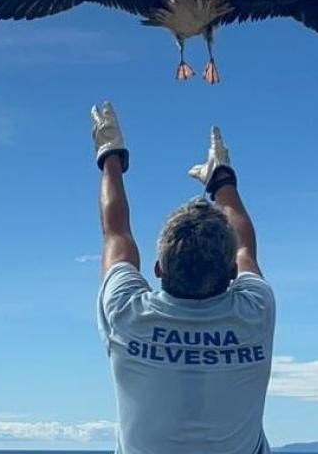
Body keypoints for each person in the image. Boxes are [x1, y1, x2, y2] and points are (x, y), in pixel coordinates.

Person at [91, 101, 276, 454]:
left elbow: (116, 234)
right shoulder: (256, 312)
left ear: (159, 269)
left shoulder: (126, 314)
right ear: (232, 273)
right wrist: (222, 179)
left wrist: (109, 154)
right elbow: (245, 249)